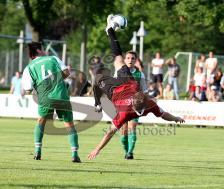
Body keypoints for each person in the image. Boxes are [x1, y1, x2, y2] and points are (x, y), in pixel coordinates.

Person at [88, 15, 185, 160]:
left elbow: (110, 132)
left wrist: (97, 149)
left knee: (107, 69)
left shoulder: (137, 108)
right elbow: (164, 115)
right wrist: (175, 118)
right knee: (110, 66)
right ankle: (110, 30)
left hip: (121, 87)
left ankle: (110, 31)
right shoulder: (143, 106)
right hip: (122, 85)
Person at [22, 42, 81, 162]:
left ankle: (37, 151)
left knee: (41, 122)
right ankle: (74, 154)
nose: (44, 51)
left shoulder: (29, 68)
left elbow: (27, 88)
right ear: (38, 50)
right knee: (69, 124)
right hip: (61, 96)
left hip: (45, 98)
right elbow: (66, 73)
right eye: (42, 49)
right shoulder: (53, 58)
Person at [117, 51, 148, 159]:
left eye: (132, 58)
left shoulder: (140, 74)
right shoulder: (119, 72)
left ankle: (130, 152)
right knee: (123, 131)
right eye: (128, 58)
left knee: (132, 127)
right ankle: (126, 151)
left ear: (135, 61)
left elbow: (145, 90)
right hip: (122, 105)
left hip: (135, 106)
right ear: (125, 60)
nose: (130, 60)